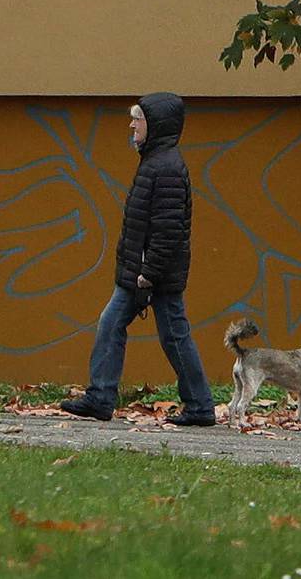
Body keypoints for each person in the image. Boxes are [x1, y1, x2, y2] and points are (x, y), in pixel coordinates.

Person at [60, 92, 215, 426]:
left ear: (155, 124)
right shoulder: (156, 162)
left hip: (151, 273)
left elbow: (168, 229)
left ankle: (200, 407)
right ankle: (101, 397)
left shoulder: (167, 167)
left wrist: (148, 273)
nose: (131, 124)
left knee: (171, 335)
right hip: (140, 270)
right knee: (115, 324)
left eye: (137, 118)